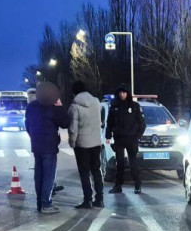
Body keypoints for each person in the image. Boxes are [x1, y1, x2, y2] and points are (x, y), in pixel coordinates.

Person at [24, 82, 67, 214]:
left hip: (36, 146)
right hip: (49, 147)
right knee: (48, 176)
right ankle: (46, 204)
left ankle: (40, 203)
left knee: (39, 175)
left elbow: (27, 125)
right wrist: (60, 107)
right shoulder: (52, 107)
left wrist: (33, 136)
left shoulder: (31, 107)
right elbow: (65, 123)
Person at [67, 81, 104, 209]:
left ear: (74, 92)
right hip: (96, 143)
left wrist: (72, 142)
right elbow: (100, 120)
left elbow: (73, 128)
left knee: (84, 173)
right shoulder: (97, 102)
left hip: (82, 145)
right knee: (96, 171)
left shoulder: (74, 106)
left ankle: (87, 200)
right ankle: (99, 199)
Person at [105, 85, 146, 194]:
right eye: (120, 92)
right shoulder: (114, 106)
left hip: (132, 139)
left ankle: (137, 185)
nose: (122, 94)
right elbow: (109, 122)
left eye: (124, 92)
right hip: (119, 139)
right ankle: (118, 185)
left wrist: (138, 136)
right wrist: (108, 136)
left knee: (133, 164)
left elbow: (142, 123)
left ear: (127, 93)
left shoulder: (134, 106)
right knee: (120, 163)